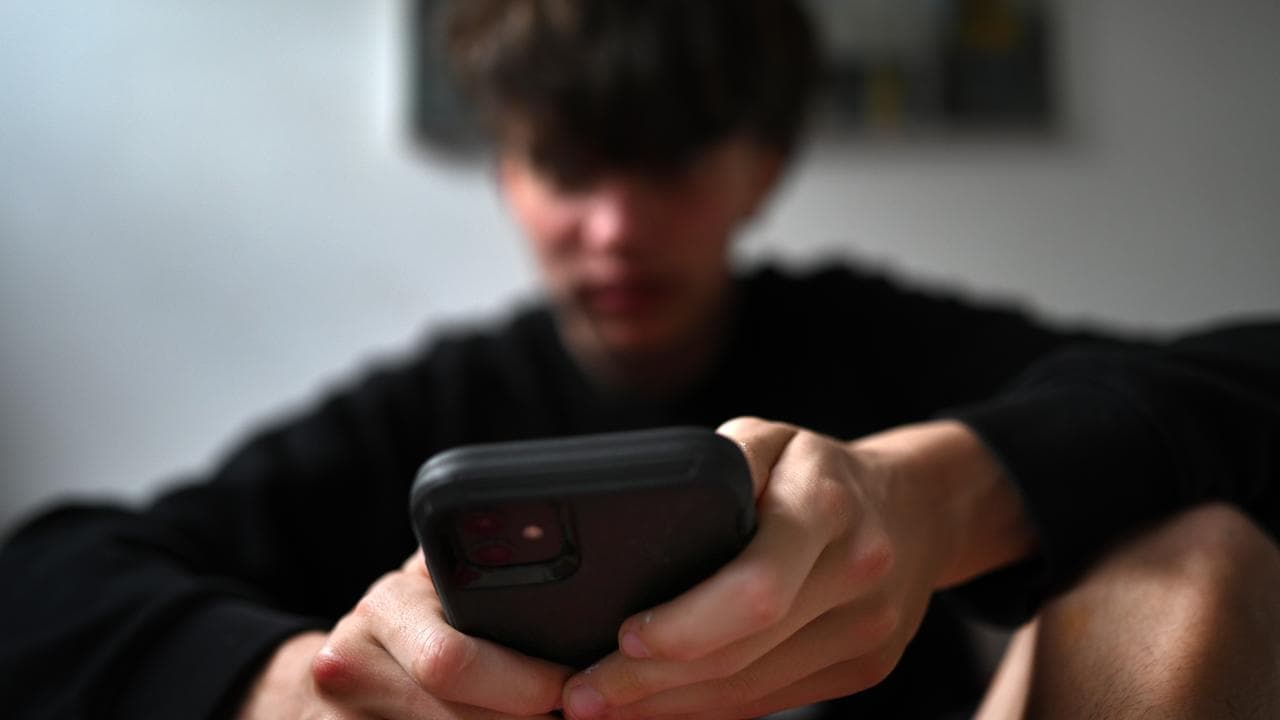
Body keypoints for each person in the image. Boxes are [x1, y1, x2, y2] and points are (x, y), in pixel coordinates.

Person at [1, 1, 1278, 718]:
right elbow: (43, 586)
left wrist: (936, 499)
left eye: (665, 162)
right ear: (506, 174)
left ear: (759, 167)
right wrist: (284, 690)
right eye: (565, 168)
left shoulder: (863, 339)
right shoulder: (439, 407)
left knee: (1201, 558)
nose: (613, 228)